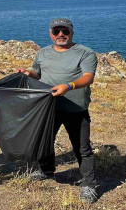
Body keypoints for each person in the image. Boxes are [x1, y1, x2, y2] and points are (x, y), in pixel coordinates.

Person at [18, 18, 99, 203]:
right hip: (47, 107)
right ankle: (46, 171)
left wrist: (69, 86)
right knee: (45, 141)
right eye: (57, 31)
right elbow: (38, 73)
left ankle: (89, 184)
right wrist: (29, 73)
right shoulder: (43, 52)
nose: (61, 35)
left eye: (65, 31)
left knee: (82, 148)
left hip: (75, 108)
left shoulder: (85, 53)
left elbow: (88, 78)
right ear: (51, 34)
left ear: (72, 32)